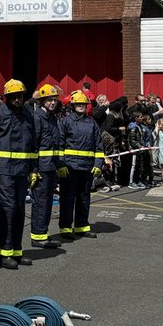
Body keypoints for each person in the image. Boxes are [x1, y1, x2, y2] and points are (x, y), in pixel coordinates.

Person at [0, 79, 37, 269]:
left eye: (20, 96)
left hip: (22, 171)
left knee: (20, 210)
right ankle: (4, 253)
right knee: (8, 209)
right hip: (3, 171)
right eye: (13, 96)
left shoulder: (28, 115)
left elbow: (32, 145)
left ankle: (17, 251)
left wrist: (34, 169)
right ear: (7, 97)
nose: (17, 99)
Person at [57, 90, 103, 239]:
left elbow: (98, 145)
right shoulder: (65, 122)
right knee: (67, 198)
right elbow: (59, 145)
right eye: (78, 104)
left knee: (84, 198)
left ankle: (81, 226)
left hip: (87, 167)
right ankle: (65, 228)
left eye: (83, 103)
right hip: (69, 167)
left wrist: (98, 164)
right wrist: (60, 164)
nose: (81, 106)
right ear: (72, 105)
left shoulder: (92, 123)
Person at [31, 83, 64, 251]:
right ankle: (38, 236)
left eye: (54, 100)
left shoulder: (52, 118)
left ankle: (43, 233)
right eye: (49, 100)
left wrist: (59, 165)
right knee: (41, 202)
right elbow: (33, 145)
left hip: (50, 167)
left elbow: (54, 144)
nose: (52, 103)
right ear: (42, 101)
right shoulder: (37, 118)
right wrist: (33, 170)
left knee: (48, 202)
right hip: (41, 168)